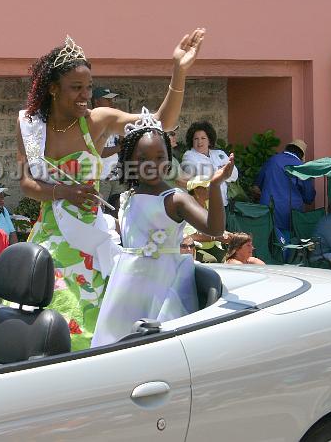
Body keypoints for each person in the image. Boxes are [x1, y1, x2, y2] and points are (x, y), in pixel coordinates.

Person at [16, 28, 205, 350]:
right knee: (50, 319)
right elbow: (27, 184)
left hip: (93, 237)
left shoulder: (98, 120)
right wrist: (62, 192)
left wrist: (179, 71)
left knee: (98, 323)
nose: (84, 96)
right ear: (52, 88)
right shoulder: (31, 125)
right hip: (51, 236)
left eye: (88, 88)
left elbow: (161, 121)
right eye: (76, 88)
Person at [91, 113, 233, 347]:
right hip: (127, 285)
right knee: (118, 343)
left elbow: (215, 229)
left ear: (169, 161)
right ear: (129, 161)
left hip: (164, 284)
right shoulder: (127, 198)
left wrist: (215, 186)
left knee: (159, 345)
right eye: (143, 158)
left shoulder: (175, 198)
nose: (152, 164)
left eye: (160, 157)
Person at [254, 139, 316, 241]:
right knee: (286, 246)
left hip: (267, 211)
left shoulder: (272, 160)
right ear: (302, 154)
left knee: (267, 242)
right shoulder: (301, 166)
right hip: (289, 213)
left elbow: (257, 187)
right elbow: (309, 197)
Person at [181, 121, 238, 207]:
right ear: (192, 141)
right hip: (203, 207)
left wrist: (218, 173)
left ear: (209, 141)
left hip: (224, 204)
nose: (199, 142)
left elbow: (234, 175)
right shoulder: (188, 155)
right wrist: (222, 170)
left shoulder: (219, 153)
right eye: (196, 139)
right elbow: (202, 177)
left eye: (203, 138)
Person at [184, 176, 232, 262]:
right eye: (205, 187)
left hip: (214, 246)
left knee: (228, 260)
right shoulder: (187, 208)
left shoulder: (210, 205)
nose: (209, 190)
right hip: (195, 247)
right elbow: (192, 235)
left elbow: (216, 226)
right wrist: (217, 237)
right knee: (211, 261)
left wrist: (227, 234)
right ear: (196, 190)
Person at [164, 125, 189, 189]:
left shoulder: (172, 158)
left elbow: (184, 176)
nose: (175, 136)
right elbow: (179, 181)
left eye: (174, 133)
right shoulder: (164, 159)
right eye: (171, 134)